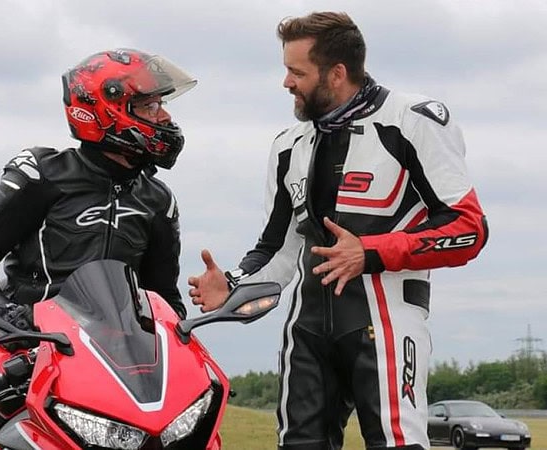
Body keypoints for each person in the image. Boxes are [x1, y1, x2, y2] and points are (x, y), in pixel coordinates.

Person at [188, 11, 488, 450]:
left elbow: (469, 230)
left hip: (387, 322)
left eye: (296, 72)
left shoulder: (412, 120)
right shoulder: (288, 145)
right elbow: (280, 249)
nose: (286, 83)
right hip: (307, 329)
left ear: (337, 73)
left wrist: (368, 253)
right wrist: (232, 284)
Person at [0, 48, 196, 449]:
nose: (164, 117)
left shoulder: (157, 200)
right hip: (28, 351)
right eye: (149, 106)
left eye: (161, 104)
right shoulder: (43, 175)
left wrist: (181, 337)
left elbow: (162, 297)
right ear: (107, 109)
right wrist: (0, 315)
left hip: (119, 367)